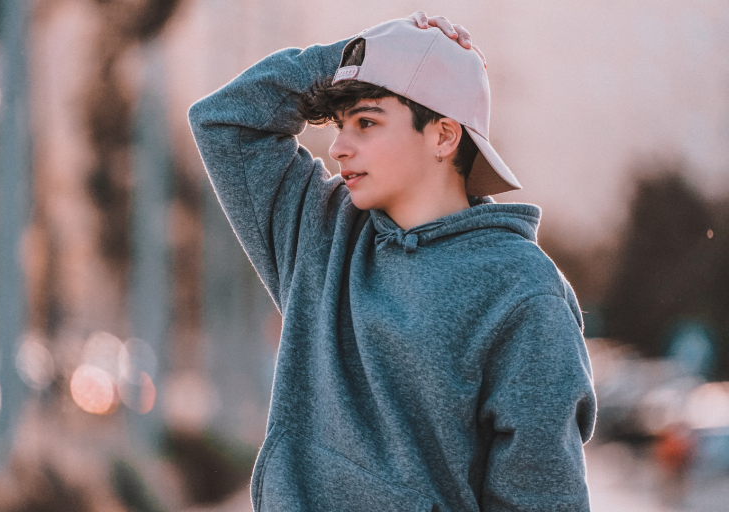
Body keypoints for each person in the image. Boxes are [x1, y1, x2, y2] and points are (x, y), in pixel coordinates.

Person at [189, 11, 596, 512]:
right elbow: (225, 121)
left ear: (444, 137)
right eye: (340, 124)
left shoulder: (521, 290)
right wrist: (352, 56)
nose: (338, 146)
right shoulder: (318, 229)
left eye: (366, 123)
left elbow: (540, 498)